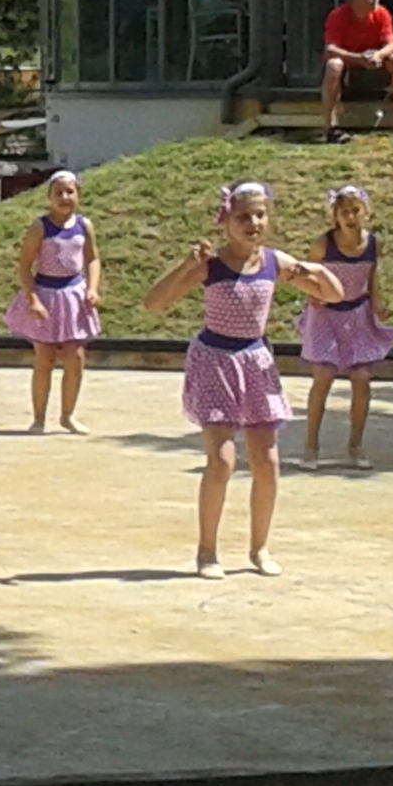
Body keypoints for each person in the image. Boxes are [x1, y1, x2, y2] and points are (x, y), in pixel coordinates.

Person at [142, 181, 343, 579]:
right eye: (243, 217)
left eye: (260, 215)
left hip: (255, 363)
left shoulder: (274, 262)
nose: (253, 223)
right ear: (226, 221)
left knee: (267, 461)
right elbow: (154, 303)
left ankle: (260, 547)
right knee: (222, 461)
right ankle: (207, 551)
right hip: (215, 361)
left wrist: (318, 270)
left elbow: (334, 295)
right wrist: (185, 266)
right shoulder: (212, 264)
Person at [296, 184, 393, 472]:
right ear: (335, 215)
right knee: (324, 375)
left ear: (366, 212)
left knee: (362, 377)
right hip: (326, 314)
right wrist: (313, 293)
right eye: (344, 212)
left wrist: (377, 303)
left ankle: (356, 445)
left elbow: (371, 276)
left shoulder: (374, 244)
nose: (350, 217)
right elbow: (306, 273)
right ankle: (311, 447)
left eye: (355, 211)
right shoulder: (323, 244)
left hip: (357, 314)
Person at [0, 169, 100, 434]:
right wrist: (32, 299)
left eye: (70, 192)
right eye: (58, 193)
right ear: (49, 197)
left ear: (79, 194)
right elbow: (24, 266)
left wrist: (92, 288)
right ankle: (39, 417)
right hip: (46, 296)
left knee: (75, 358)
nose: (64, 197)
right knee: (44, 358)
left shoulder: (84, 225)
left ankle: (68, 415)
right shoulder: (40, 227)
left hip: (74, 297)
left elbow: (92, 258)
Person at [319, 0, 393, 142]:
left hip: (375, 66)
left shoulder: (382, 13)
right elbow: (330, 48)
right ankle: (330, 126)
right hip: (349, 66)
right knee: (333, 65)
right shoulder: (338, 15)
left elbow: (392, 43)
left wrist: (378, 55)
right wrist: (358, 58)